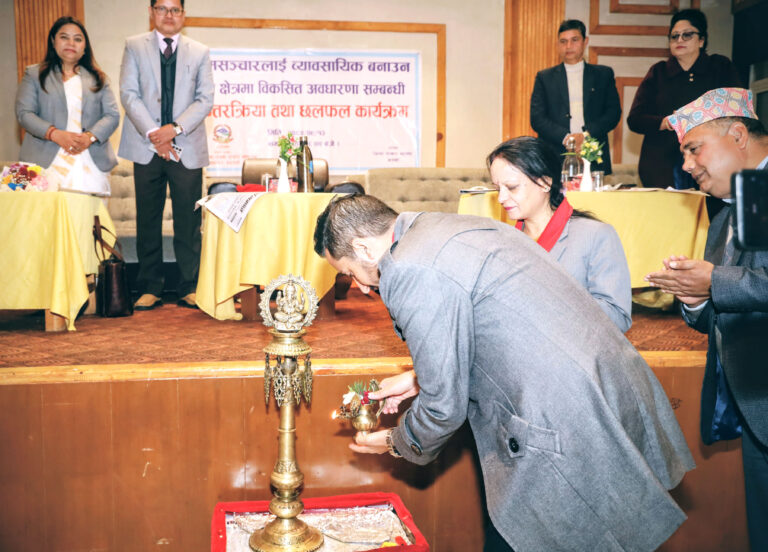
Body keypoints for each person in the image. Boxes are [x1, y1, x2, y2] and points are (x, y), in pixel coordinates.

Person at [314, 194, 694, 551]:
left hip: (559, 419)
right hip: (605, 385)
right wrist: (417, 378)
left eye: (350, 272)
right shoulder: (446, 226)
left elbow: (443, 408)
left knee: (525, 536)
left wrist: (398, 440)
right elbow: (489, 324)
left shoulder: (407, 267)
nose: (360, 287)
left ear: (365, 248)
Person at [644, 87, 768, 551]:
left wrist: (714, 281)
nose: (688, 165)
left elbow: (731, 283)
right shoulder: (724, 216)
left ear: (738, 134)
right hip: (756, 407)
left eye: (694, 149)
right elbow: (722, 308)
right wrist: (693, 296)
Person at [118, 0, 214, 310]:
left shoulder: (200, 51)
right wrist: (155, 134)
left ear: (184, 14)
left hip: (186, 145)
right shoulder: (134, 46)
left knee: (188, 220)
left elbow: (205, 99)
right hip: (145, 145)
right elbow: (128, 94)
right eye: (162, 8)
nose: (168, 15)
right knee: (148, 218)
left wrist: (173, 129)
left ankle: (189, 286)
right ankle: (150, 287)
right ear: (151, 12)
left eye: (175, 10)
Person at [488, 137, 632, 331]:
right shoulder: (504, 242)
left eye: (512, 187)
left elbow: (618, 317)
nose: (501, 198)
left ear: (545, 182)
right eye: (497, 189)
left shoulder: (595, 236)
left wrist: (546, 301)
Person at [627, 9, 741, 190]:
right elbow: (635, 119)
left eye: (687, 35)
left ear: (701, 40)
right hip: (661, 164)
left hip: (712, 160)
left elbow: (737, 110)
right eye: (674, 36)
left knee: (709, 207)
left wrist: (700, 117)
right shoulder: (658, 72)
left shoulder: (720, 66)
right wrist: (666, 122)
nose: (679, 40)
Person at [15, 16, 119, 196]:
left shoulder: (98, 79)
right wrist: (54, 134)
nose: (71, 43)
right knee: (45, 214)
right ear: (53, 41)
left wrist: (90, 137)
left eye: (77, 39)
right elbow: (24, 113)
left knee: (87, 213)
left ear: (85, 47)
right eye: (64, 37)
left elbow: (113, 115)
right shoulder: (34, 74)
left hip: (89, 161)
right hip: (43, 161)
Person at [530, 19, 621, 175]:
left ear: (585, 41)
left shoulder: (603, 75)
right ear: (557, 44)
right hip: (555, 154)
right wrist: (567, 138)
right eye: (563, 41)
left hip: (593, 153)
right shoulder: (544, 77)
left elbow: (613, 113)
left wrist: (585, 135)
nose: (568, 46)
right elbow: (537, 118)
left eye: (574, 40)